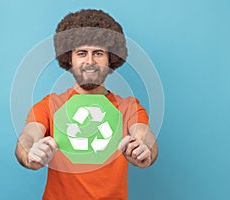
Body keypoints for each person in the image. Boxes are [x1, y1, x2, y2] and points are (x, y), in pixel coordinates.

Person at [15, 9, 158, 200]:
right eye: (81, 53)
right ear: (69, 58)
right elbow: (28, 136)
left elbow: (144, 135)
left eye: (98, 53)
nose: (90, 62)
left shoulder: (129, 107)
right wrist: (30, 153)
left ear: (110, 59)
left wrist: (144, 150)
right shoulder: (50, 105)